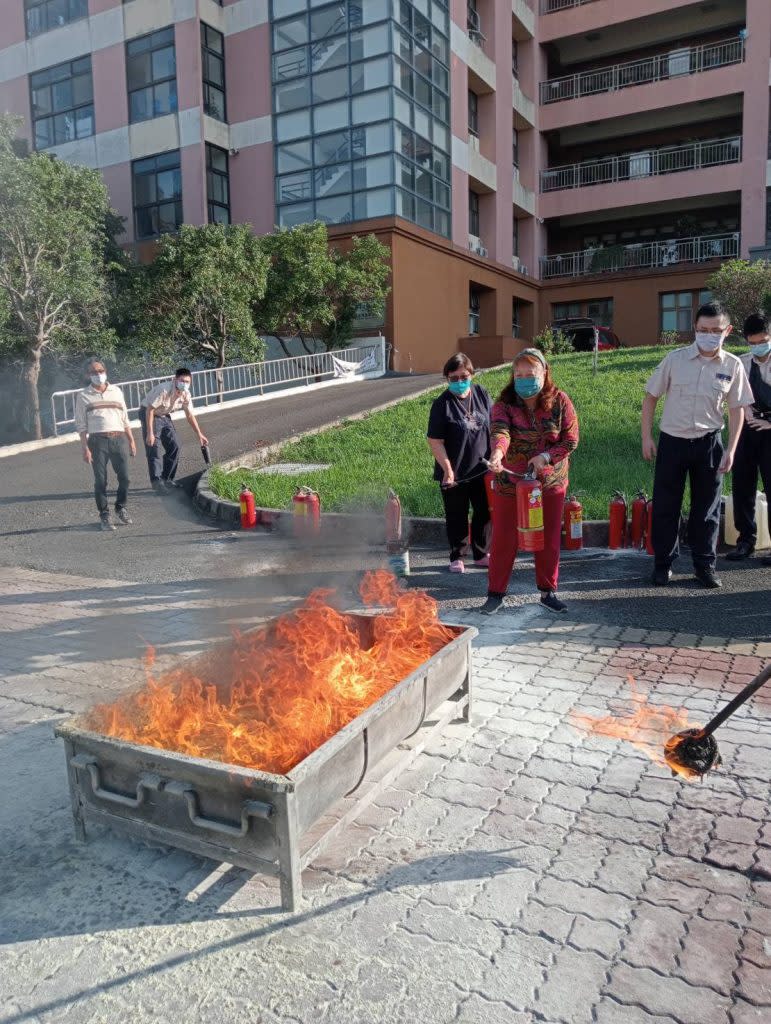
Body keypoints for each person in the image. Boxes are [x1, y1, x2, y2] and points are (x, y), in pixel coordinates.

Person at [642, 300, 753, 588]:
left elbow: (737, 408)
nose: (708, 335)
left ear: (727, 331)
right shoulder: (674, 359)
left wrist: (731, 449)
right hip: (673, 443)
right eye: (703, 329)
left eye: (715, 330)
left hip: (709, 444)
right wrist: (646, 437)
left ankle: (705, 566)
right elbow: (651, 397)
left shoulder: (733, 365)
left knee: (707, 509)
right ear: (695, 328)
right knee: (667, 506)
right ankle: (663, 565)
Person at [482, 348, 579, 615]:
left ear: (544, 373)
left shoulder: (560, 401)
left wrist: (546, 456)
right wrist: (498, 454)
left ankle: (548, 592)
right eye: (519, 374)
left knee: (548, 537)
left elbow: (571, 440)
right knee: (504, 537)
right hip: (510, 481)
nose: (524, 379)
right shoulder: (503, 404)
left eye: (530, 374)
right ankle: (495, 593)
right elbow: (500, 432)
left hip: (549, 483)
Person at [427, 353, 492, 573]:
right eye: (452, 378)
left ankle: (482, 553)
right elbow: (435, 441)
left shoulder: (482, 393)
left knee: (484, 512)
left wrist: (497, 457)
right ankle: (457, 556)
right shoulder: (441, 404)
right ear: (447, 379)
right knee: (457, 514)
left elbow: (494, 426)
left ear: (471, 374)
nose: (458, 381)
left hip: (483, 469)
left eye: (463, 376)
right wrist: (447, 469)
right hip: (454, 471)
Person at [725, 311, 771, 566]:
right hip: (745, 429)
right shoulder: (741, 363)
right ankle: (746, 540)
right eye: (752, 343)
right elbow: (733, 394)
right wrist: (747, 412)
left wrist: (768, 422)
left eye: (762, 341)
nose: (757, 347)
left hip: (770, 430)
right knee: (742, 485)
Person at [74, 357, 136, 532]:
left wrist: (131, 440)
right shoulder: (83, 396)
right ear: (88, 375)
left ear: (106, 372)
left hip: (119, 438)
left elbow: (125, 418)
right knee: (101, 481)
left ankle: (120, 507)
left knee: (125, 478)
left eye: (100, 371)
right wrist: (85, 448)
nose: (98, 374)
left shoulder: (116, 391)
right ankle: (104, 515)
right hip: (97, 441)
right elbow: (81, 425)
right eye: (94, 372)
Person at [139, 368, 208, 492]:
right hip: (149, 413)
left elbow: (190, 415)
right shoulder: (164, 389)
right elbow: (149, 410)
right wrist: (150, 433)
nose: (185, 383)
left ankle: (167, 479)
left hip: (164, 415)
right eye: (182, 380)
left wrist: (200, 434)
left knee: (175, 445)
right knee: (154, 447)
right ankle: (157, 483)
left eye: (187, 382)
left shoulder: (186, 394)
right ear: (175, 379)